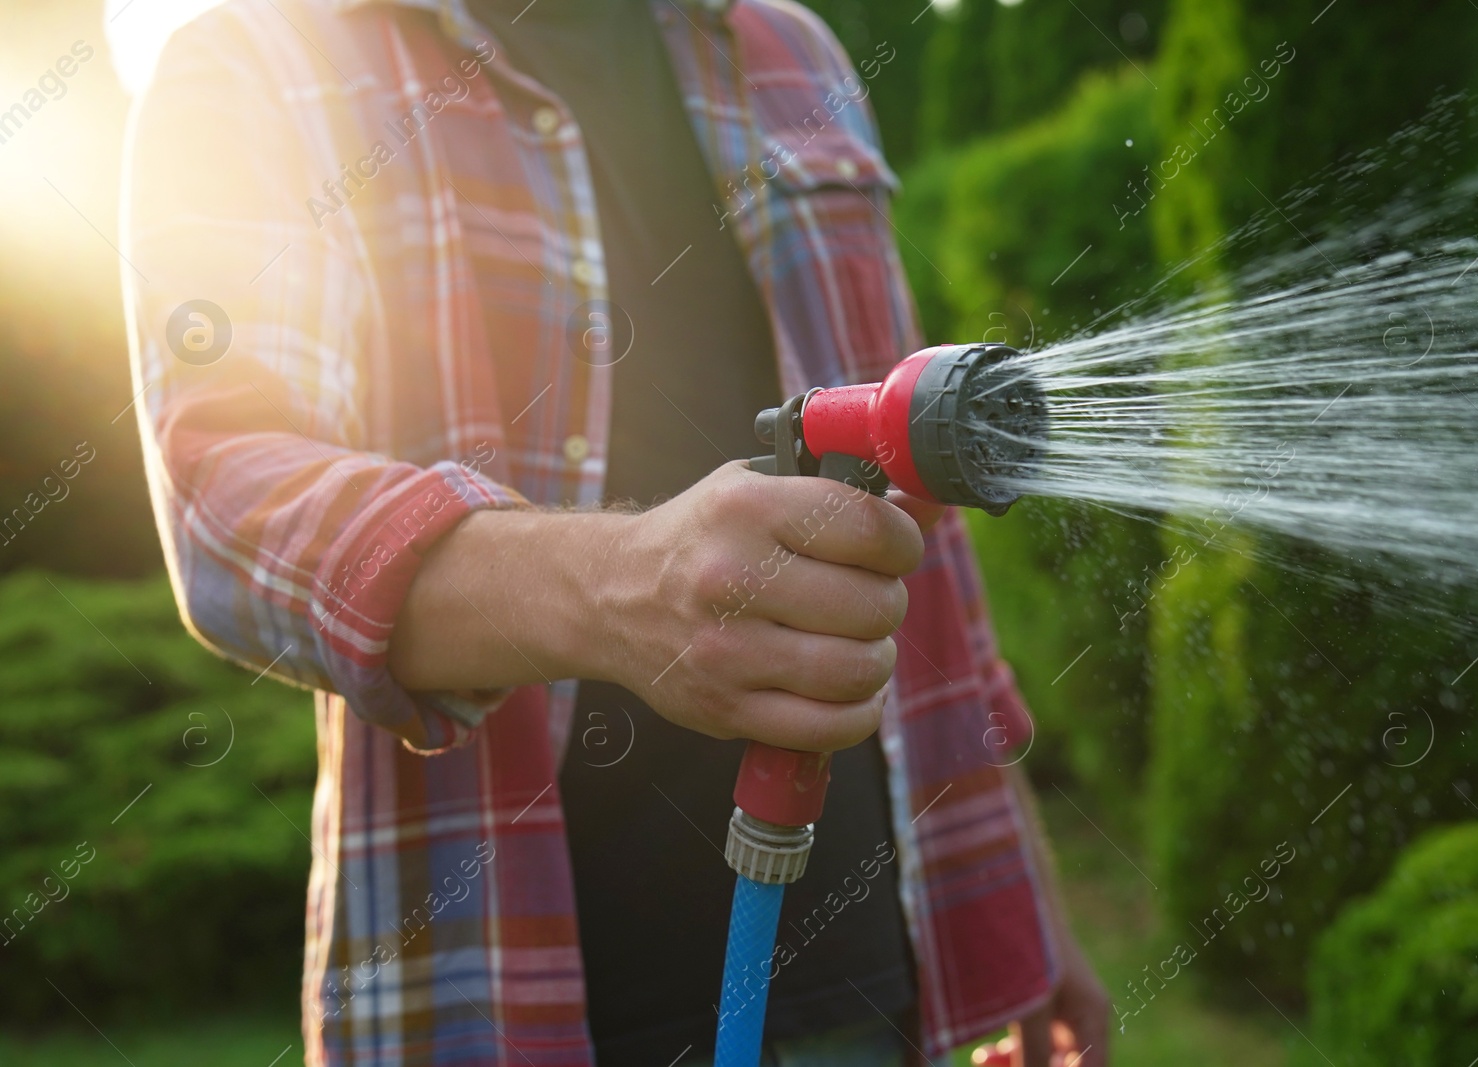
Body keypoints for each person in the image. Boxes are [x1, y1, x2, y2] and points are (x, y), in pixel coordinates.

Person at [121, 0, 1108, 1063]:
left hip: (856, 978)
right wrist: (622, 585)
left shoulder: (787, 52)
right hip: (498, 992)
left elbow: (927, 537)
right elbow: (227, 501)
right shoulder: (267, 66)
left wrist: (1019, 897)